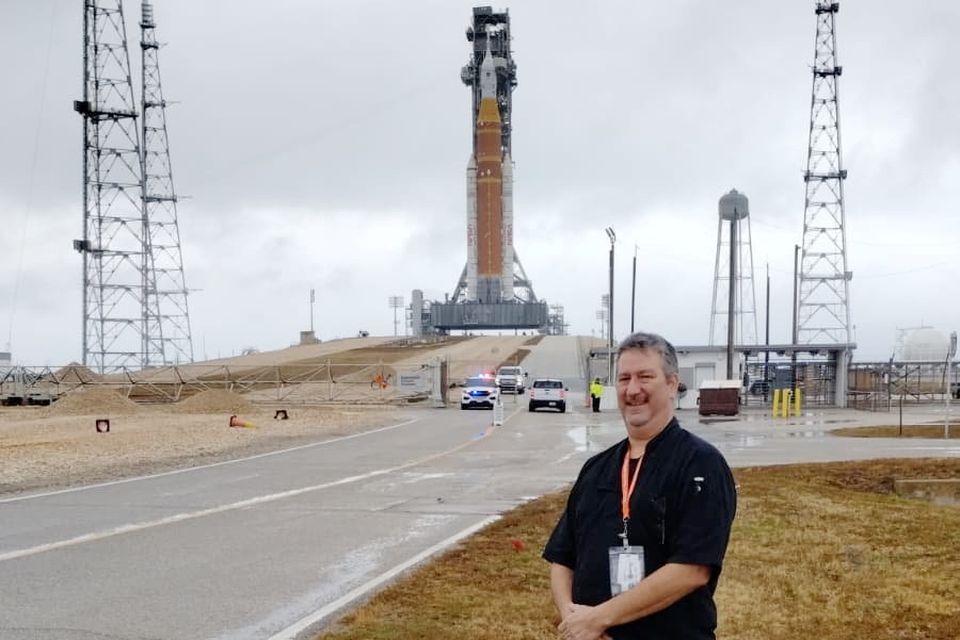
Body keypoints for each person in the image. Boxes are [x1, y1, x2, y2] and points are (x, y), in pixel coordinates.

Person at [543, 332, 737, 640]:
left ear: (672, 384)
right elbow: (562, 557)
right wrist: (573, 619)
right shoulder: (596, 469)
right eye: (624, 379)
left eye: (645, 377)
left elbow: (692, 569)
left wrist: (597, 619)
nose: (633, 390)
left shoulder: (700, 465)